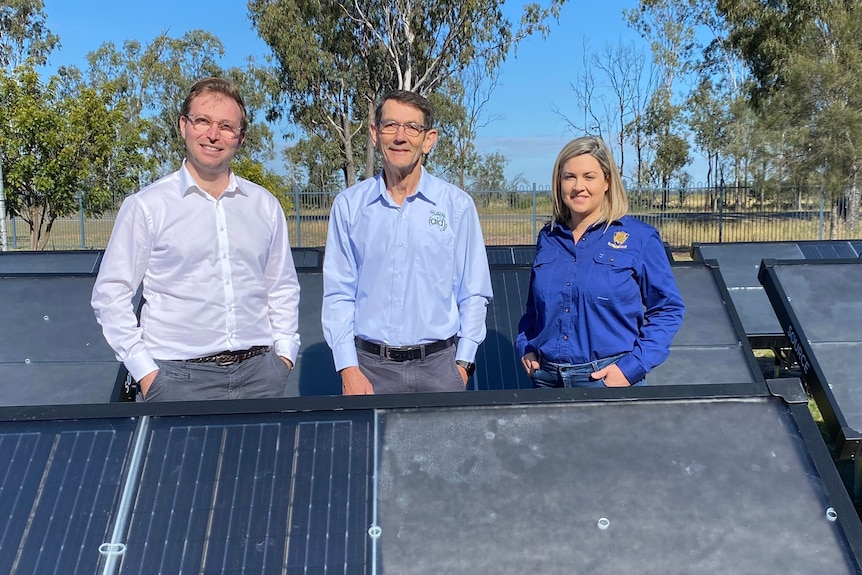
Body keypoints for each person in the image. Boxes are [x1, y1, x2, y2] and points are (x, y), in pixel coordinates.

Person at [91, 77, 300, 401]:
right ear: (183, 126)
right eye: (202, 121)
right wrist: (147, 373)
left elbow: (282, 287)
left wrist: (283, 357)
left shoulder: (264, 205)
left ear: (240, 137)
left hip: (260, 377)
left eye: (227, 126)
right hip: (177, 381)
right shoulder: (148, 206)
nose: (213, 135)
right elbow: (111, 294)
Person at [322, 89, 493, 395]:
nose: (400, 137)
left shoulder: (457, 206)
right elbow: (338, 294)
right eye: (390, 126)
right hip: (369, 371)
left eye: (412, 127)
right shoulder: (349, 206)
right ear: (375, 134)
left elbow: (474, 292)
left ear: (429, 139)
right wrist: (348, 368)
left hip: (440, 370)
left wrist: (463, 365)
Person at [516, 136, 684, 388]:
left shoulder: (639, 238)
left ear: (607, 181)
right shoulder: (548, 237)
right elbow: (534, 309)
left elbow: (668, 310)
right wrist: (525, 346)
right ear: (558, 182)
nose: (578, 186)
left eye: (589, 176)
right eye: (569, 176)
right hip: (546, 381)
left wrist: (632, 368)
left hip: (607, 380)